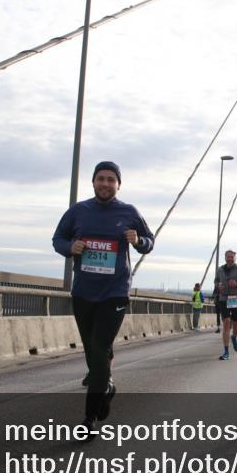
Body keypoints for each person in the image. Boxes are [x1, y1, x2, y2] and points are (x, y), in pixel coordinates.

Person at [52, 161, 154, 438]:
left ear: (118, 185)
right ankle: (106, 386)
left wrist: (138, 241)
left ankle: (88, 418)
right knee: (92, 350)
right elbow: (58, 238)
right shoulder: (78, 211)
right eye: (101, 179)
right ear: (93, 182)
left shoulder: (129, 212)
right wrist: (69, 247)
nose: (106, 184)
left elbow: (149, 240)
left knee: (98, 348)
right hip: (84, 292)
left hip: (115, 292)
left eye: (111, 179)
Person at [215, 250, 237, 360]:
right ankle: (226, 351)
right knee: (226, 323)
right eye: (228, 257)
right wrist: (218, 286)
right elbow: (215, 281)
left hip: (235, 299)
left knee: (235, 325)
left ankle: (234, 337)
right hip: (223, 299)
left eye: (232, 257)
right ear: (225, 258)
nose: (230, 259)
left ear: (235, 258)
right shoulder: (220, 270)